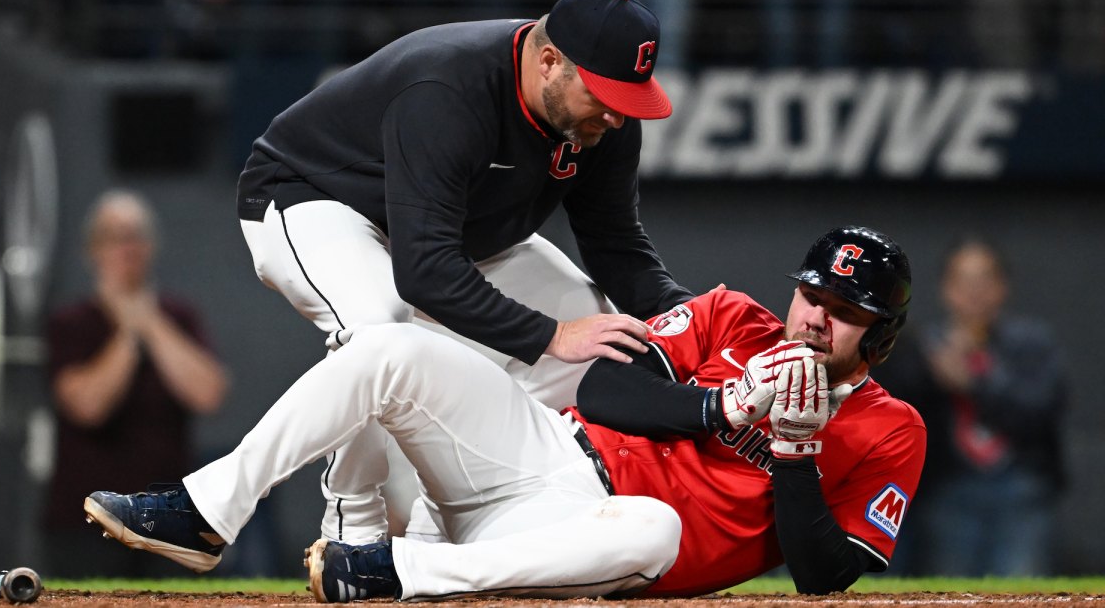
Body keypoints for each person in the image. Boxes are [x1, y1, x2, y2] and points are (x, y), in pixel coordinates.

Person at [83, 225, 925, 599]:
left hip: (599, 539)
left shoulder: (892, 429)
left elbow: (822, 575)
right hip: (541, 457)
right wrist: (720, 402)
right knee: (386, 344)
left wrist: (793, 447)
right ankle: (208, 509)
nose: (815, 316)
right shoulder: (733, 317)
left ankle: (395, 571)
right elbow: (601, 389)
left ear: (877, 337)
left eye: (843, 311)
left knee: (654, 530)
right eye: (811, 293)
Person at [233, 0, 691, 543]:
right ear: (549, 62)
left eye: (627, 98)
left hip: (450, 235)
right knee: (380, 328)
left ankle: (440, 527)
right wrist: (551, 333)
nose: (617, 117)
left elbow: (615, 243)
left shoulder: (603, 114)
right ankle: (353, 520)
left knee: (597, 329)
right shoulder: (450, 83)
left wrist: (695, 317)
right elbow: (424, 271)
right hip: (314, 199)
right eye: (603, 95)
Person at [42, 189, 229, 577]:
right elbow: (88, 407)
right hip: (84, 523)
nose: (127, 248)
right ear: (92, 249)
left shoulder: (178, 317)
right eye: (114, 237)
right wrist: (129, 331)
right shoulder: (72, 323)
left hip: (167, 522)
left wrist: (150, 322)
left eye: (136, 236)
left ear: (151, 246)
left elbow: (209, 393)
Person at [874, 236, 1067, 577]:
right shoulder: (921, 346)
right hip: (948, 491)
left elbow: (1041, 411)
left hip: (1020, 491)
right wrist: (930, 375)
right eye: (963, 281)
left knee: (1023, 586)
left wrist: (976, 384)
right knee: (952, 588)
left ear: (1002, 286)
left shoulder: (1031, 344)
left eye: (984, 280)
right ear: (945, 288)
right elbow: (893, 416)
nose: (974, 292)